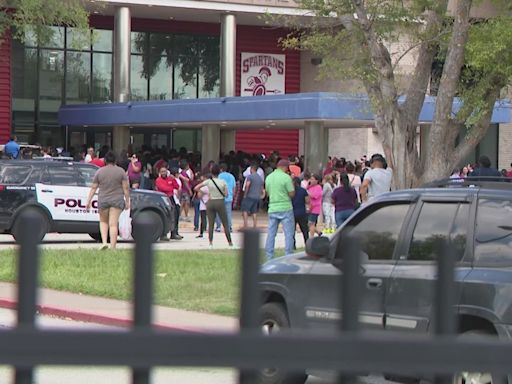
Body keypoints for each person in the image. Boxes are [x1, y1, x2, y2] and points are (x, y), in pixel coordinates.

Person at [85, 151, 130, 250]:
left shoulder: (100, 171)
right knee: (113, 224)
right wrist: (127, 201)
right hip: (117, 200)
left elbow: (93, 187)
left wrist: (88, 201)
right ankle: (113, 246)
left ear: (105, 160)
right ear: (115, 160)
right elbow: (125, 188)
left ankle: (104, 242)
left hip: (103, 199)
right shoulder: (121, 171)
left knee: (103, 222)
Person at [194, 164, 234, 248]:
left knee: (211, 224)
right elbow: (226, 194)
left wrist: (206, 192)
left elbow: (196, 188)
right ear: (219, 172)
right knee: (225, 223)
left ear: (211, 172)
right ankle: (230, 242)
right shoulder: (222, 182)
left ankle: (210, 243)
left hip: (211, 202)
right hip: (220, 201)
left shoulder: (208, 181)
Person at [264, 159, 295, 260]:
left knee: (271, 233)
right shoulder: (286, 178)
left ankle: (269, 255)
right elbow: (291, 193)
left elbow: (267, 193)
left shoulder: (268, 178)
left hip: (272, 207)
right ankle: (288, 255)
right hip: (285, 207)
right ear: (285, 167)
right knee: (288, 233)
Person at [155, 165, 183, 241]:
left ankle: (174, 233)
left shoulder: (170, 178)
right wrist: (171, 188)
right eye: (162, 172)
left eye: (165, 171)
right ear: (160, 173)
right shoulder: (158, 180)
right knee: (165, 216)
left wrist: (173, 180)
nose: (163, 173)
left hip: (171, 199)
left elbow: (177, 186)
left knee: (175, 215)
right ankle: (163, 235)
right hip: (163, 199)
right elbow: (163, 188)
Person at [241, 164, 265, 228]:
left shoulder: (250, 177)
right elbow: (262, 187)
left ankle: (245, 224)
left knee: (245, 210)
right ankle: (254, 225)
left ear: (252, 169)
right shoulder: (259, 178)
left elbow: (247, 185)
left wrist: (245, 194)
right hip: (257, 196)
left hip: (250, 196)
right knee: (254, 211)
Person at [215, 163, 236, 233]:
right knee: (228, 213)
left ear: (220, 169)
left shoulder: (219, 176)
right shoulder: (231, 176)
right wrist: (232, 195)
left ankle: (218, 227)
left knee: (218, 212)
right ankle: (229, 227)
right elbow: (234, 187)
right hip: (229, 197)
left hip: (219, 196)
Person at [291, 177, 309, 250]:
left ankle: (293, 246)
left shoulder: (291, 191)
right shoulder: (303, 190)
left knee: (292, 231)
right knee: (305, 230)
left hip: (292, 212)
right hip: (302, 212)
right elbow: (307, 201)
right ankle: (307, 244)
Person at [195, 174, 209, 238]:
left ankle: (201, 232)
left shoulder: (204, 187)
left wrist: (200, 189)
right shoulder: (211, 187)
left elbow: (199, 195)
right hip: (210, 204)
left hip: (204, 204)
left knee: (203, 219)